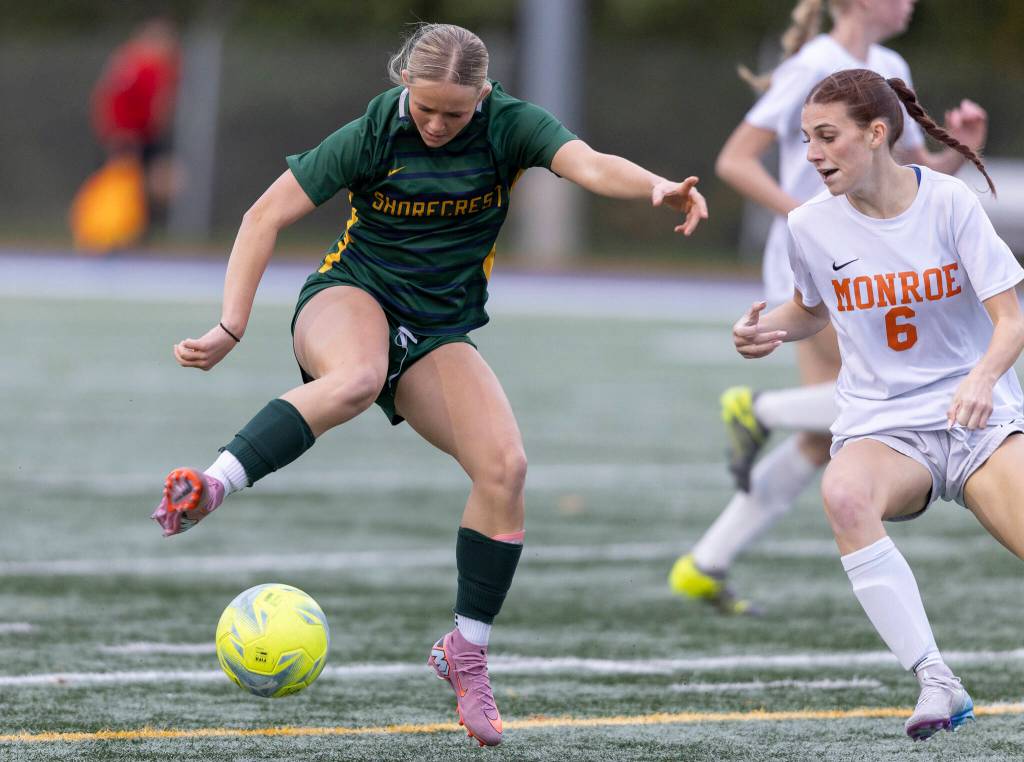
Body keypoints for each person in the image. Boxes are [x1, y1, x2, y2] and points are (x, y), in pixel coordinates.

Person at [149, 23, 708, 748]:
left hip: (437, 329)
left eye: (455, 112)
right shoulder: (373, 132)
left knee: (505, 469)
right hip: (350, 296)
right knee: (356, 377)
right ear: (403, 84)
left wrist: (656, 186)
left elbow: (589, 164)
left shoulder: (509, 126)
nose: (438, 125)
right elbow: (265, 215)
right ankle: (212, 485)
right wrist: (231, 325)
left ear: (484, 95)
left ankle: (465, 652)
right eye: (426, 108)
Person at [669, 0, 989, 614]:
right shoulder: (814, 65)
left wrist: (960, 151)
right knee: (872, 399)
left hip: (864, 258)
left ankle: (705, 562)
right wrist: (819, 225)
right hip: (824, 268)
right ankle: (760, 409)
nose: (910, 4)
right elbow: (735, 159)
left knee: (828, 438)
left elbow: (906, 170)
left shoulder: (890, 65)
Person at [733, 67, 1021, 741]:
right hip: (886, 428)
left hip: (978, 424)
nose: (812, 154)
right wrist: (764, 329)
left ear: (876, 133)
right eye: (806, 139)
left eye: (826, 136)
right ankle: (936, 679)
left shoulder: (949, 202)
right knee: (843, 494)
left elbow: (1011, 320)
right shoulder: (809, 224)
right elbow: (810, 309)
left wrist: (981, 380)